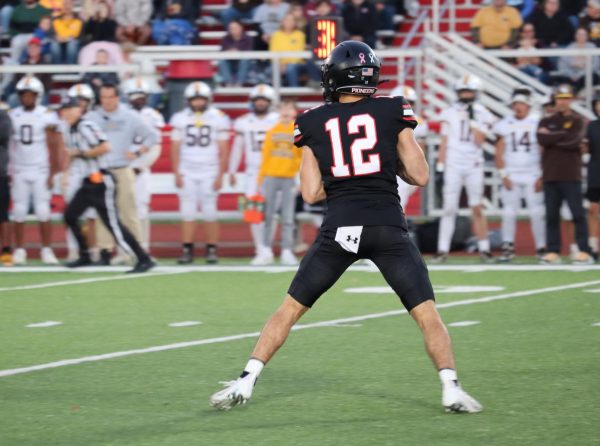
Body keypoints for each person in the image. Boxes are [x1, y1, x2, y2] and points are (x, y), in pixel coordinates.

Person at [209, 40, 482, 414]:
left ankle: (246, 379)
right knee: (426, 312)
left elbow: (310, 191)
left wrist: (338, 170)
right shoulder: (393, 109)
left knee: (289, 309)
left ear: (337, 77)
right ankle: (451, 388)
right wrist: (387, 164)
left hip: (340, 230)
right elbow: (419, 174)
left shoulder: (311, 120)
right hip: (387, 227)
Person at [60, 98, 155, 273]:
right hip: (87, 181)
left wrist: (82, 153)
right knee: (69, 216)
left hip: (101, 181)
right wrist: (66, 173)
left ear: (78, 110)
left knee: (114, 225)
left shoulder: (85, 126)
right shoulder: (69, 129)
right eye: (64, 110)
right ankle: (85, 254)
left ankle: (143, 258)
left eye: (70, 109)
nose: (66, 113)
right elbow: (73, 155)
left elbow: (105, 146)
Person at [87, 83, 157, 265]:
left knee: (129, 211)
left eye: (111, 97)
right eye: (104, 97)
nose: (107, 101)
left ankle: (138, 250)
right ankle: (105, 250)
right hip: (101, 170)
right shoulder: (92, 117)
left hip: (122, 168)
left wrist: (138, 152)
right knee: (102, 212)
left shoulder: (129, 116)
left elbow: (152, 136)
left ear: (117, 98)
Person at [433, 75, 496, 263]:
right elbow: (444, 141)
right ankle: (442, 249)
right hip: (453, 163)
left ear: (476, 93)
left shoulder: (482, 112)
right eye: (463, 91)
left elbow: (479, 141)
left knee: (477, 207)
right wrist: (440, 165)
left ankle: (485, 249)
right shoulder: (449, 112)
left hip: (473, 165)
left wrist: (473, 121)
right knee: (449, 208)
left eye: (469, 91)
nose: (466, 95)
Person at [170, 81, 230, 265]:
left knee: (210, 212)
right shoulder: (180, 118)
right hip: (187, 170)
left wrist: (221, 174)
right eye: (194, 99)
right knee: (187, 212)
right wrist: (177, 172)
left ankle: (211, 249)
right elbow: (175, 147)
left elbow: (224, 148)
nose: (197, 103)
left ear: (208, 99)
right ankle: (187, 249)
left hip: (209, 170)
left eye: (201, 99)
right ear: (188, 100)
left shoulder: (218, 117)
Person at [537, 84, 594, 264]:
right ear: (555, 100)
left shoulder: (578, 121)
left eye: (566, 98)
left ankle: (585, 250)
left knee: (578, 214)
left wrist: (554, 136)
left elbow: (573, 141)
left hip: (571, 174)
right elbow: (541, 138)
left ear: (572, 100)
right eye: (560, 98)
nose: (563, 102)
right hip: (550, 174)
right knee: (552, 215)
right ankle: (553, 250)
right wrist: (562, 136)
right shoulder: (545, 121)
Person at [9, 76, 63, 265]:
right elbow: (9, 144)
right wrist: (10, 169)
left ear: (37, 96)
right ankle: (20, 249)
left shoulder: (46, 114)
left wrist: (53, 171)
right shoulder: (13, 114)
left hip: (40, 167)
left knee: (43, 210)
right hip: (20, 168)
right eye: (23, 95)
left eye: (30, 95)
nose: (26, 99)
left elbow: (54, 143)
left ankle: (47, 249)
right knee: (19, 210)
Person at [227, 84, 279, 264]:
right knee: (252, 212)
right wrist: (232, 170)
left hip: (274, 170)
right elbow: (237, 147)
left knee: (270, 213)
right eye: (258, 100)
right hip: (252, 171)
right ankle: (260, 249)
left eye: (264, 101)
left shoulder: (279, 120)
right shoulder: (243, 121)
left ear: (270, 103)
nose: (261, 104)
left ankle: (267, 248)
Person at [493, 89, 546, 262]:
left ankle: (541, 247)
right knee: (509, 212)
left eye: (521, 103)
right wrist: (503, 174)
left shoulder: (537, 121)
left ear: (528, 105)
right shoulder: (505, 123)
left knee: (537, 212)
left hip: (533, 173)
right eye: (515, 104)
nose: (518, 107)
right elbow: (499, 151)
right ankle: (508, 246)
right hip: (512, 174)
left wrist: (542, 174)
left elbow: (544, 149)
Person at [252, 99, 301, 266]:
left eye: (289, 108)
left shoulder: (298, 131)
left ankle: (287, 250)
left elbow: (301, 158)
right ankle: (265, 250)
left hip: (289, 178)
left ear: (295, 111)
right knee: (268, 215)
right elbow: (265, 157)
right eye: (283, 109)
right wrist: (260, 180)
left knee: (288, 216)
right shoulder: (272, 131)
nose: (286, 112)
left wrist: (301, 179)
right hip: (271, 176)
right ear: (279, 112)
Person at [122, 77, 164, 252]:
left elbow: (156, 146)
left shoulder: (153, 116)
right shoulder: (120, 113)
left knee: (142, 208)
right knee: (122, 209)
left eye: (142, 96)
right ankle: (124, 250)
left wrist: (142, 166)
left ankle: (143, 248)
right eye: (135, 96)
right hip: (122, 167)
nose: (139, 99)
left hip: (141, 168)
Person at [62, 82, 97, 261]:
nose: (80, 104)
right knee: (72, 213)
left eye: (83, 101)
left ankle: (93, 249)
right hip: (76, 171)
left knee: (92, 215)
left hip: (91, 171)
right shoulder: (67, 123)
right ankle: (74, 250)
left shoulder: (94, 120)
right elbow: (67, 151)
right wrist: (66, 173)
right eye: (76, 101)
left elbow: (103, 147)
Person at [390, 85, 429, 211]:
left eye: (409, 102)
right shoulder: (385, 117)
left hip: (404, 167)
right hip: (387, 166)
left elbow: (421, 151)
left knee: (398, 205)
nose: (406, 105)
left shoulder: (418, 122)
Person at [269, 13, 311, 87]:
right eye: (287, 20)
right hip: (279, 63)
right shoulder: (275, 35)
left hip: (297, 63)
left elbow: (298, 54)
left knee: (290, 67)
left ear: (295, 22)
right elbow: (272, 52)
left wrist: (285, 64)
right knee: (271, 69)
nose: (289, 22)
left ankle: (294, 92)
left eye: (291, 20)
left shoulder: (300, 35)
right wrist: (280, 64)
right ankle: (276, 95)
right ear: (282, 22)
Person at [555, 28, 600, 93]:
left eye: (583, 34)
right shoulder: (569, 48)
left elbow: (596, 65)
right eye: (579, 34)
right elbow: (562, 65)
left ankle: (576, 92)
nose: (581, 36)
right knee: (560, 78)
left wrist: (579, 75)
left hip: (586, 75)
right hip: (571, 77)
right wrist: (571, 75)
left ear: (587, 36)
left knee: (593, 77)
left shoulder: (592, 47)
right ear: (575, 36)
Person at [585, 96, 600, 256]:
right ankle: (593, 244)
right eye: (597, 105)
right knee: (593, 208)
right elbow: (586, 149)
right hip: (596, 171)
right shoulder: (591, 126)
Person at [218, 20, 253, 87]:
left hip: (244, 64)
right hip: (230, 63)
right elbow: (221, 53)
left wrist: (238, 52)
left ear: (241, 28)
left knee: (245, 60)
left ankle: (240, 82)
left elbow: (250, 52)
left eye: (235, 28)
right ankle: (228, 82)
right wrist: (229, 52)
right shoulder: (225, 39)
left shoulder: (248, 39)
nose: (233, 30)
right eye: (231, 28)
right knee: (221, 60)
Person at [0, 104, 12, 266]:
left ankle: (6, 249)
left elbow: (3, 136)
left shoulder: (3, 116)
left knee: (2, 214)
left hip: (0, 173)